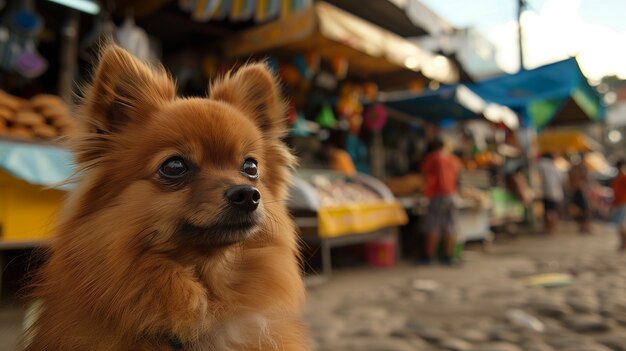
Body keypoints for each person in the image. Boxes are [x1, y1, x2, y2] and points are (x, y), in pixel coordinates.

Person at [420, 138, 460, 265]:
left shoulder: (433, 157)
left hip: (438, 195)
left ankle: (429, 258)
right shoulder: (452, 158)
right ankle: (449, 258)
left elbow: (424, 173)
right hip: (451, 195)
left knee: (433, 226)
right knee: (449, 227)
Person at [538, 153, 565, 234]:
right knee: (553, 210)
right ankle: (552, 227)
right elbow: (561, 179)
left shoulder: (541, 163)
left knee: (548, 210)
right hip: (556, 192)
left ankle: (549, 227)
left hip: (546, 191)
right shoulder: (555, 166)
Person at [568, 159, 592, 234]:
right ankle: (584, 226)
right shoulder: (576, 173)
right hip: (578, 192)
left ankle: (584, 226)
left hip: (578, 192)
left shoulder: (575, 173)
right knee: (582, 210)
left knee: (582, 210)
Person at [611, 159, 626, 250]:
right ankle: (622, 243)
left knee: (620, 224)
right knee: (619, 225)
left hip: (622, 203)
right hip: (618, 203)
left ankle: (623, 243)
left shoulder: (623, 178)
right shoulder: (618, 178)